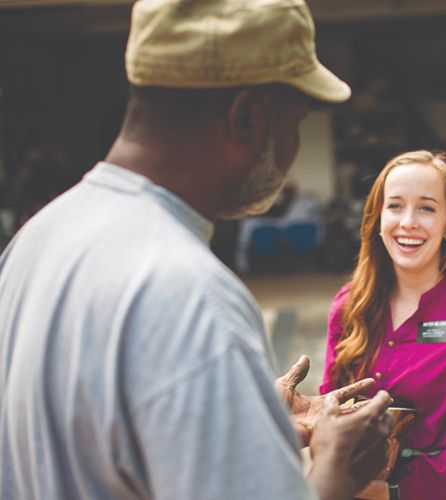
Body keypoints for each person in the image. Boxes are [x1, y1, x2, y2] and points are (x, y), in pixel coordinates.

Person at [0, 0, 393, 499]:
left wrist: (241, 415)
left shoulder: (37, 240)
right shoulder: (192, 297)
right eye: (295, 121)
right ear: (249, 118)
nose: (293, 149)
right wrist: (334, 472)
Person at [321, 150, 446, 499]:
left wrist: (394, 491)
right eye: (395, 206)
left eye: (427, 208)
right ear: (377, 219)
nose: (408, 221)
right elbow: (329, 409)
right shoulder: (347, 306)